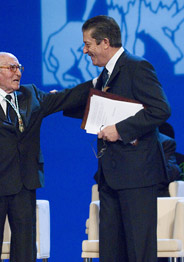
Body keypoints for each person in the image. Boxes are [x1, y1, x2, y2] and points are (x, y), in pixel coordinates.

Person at [0, 51, 89, 262]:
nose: (18, 73)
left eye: (19, 68)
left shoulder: (31, 95)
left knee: (26, 248)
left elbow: (65, 97)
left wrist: (98, 82)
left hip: (24, 183)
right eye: (12, 68)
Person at [74, 15, 171, 261]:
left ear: (105, 42)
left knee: (139, 252)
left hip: (138, 177)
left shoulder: (137, 67)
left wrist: (120, 130)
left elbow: (160, 109)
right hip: (111, 177)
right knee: (112, 253)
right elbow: (105, 110)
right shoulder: (105, 75)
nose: (85, 50)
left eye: (88, 44)